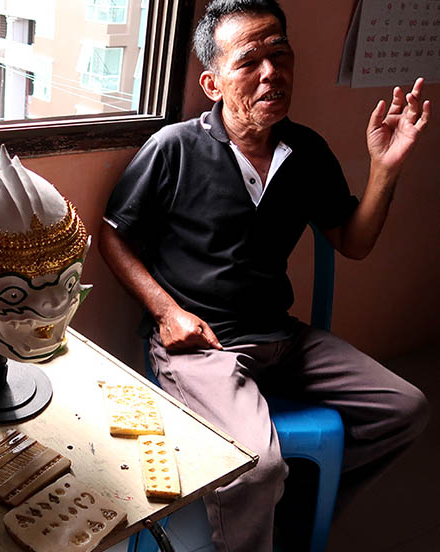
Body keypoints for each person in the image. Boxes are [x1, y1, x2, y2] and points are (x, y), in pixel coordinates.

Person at [99, 1, 431, 551]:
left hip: (282, 337)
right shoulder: (174, 148)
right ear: (213, 82)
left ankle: (289, 516)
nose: (271, 72)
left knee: (404, 409)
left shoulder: (308, 152)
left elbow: (353, 242)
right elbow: (112, 235)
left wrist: (385, 168)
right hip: (202, 343)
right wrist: (166, 311)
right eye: (249, 60)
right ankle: (257, 519)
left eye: (280, 54)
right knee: (255, 469)